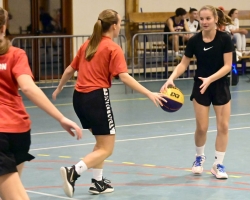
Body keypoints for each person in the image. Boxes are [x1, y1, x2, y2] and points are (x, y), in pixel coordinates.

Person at [52, 9, 166, 198]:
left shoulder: (88, 44)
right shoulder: (113, 48)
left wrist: (59, 88)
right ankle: (74, 171)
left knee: (100, 143)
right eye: (119, 23)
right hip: (96, 98)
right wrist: (148, 93)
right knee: (107, 148)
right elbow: (124, 77)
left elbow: (70, 69)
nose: (120, 26)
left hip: (78, 99)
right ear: (113, 26)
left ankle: (98, 182)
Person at [0, 7, 82, 200]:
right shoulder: (16, 54)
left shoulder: (14, 54)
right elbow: (28, 88)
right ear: (4, 27)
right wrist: (60, 117)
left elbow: (28, 88)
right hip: (19, 132)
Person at [161, 5, 234, 179]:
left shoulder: (225, 39)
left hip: (219, 85)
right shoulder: (194, 41)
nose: (205, 22)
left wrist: (211, 79)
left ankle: (218, 164)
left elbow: (227, 66)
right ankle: (199, 157)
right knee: (202, 127)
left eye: (208, 18)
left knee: (223, 126)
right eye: (202, 19)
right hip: (201, 86)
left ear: (216, 19)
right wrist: (171, 78)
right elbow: (183, 63)